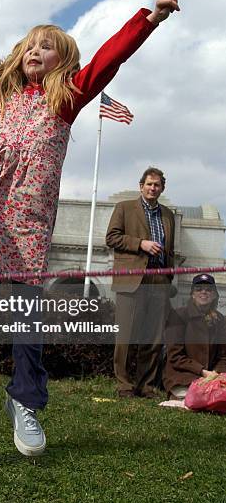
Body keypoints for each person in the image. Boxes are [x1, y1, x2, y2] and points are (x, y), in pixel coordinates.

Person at [0, 0, 180, 455]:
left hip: (28, 224)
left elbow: (109, 58)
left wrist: (149, 19)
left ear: (65, 60)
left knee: (23, 319)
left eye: (48, 47)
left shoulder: (68, 96)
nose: (35, 51)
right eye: (30, 45)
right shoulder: (2, 93)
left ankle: (26, 402)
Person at [106, 167, 175, 399]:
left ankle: (145, 386)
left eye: (157, 185)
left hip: (159, 280)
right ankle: (124, 385)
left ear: (162, 188)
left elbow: (170, 249)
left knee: (153, 337)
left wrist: (169, 276)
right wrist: (141, 244)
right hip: (132, 279)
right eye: (149, 184)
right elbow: (112, 238)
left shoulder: (168, 215)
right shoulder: (124, 208)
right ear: (141, 186)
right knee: (125, 335)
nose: (152, 188)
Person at [163, 274, 226, 400]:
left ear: (214, 295)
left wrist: (216, 373)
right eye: (199, 289)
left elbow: (224, 355)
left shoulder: (220, 320)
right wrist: (202, 372)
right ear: (192, 294)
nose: (204, 292)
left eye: (208, 290)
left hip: (213, 376)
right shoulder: (178, 315)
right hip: (183, 375)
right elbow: (175, 356)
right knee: (197, 395)